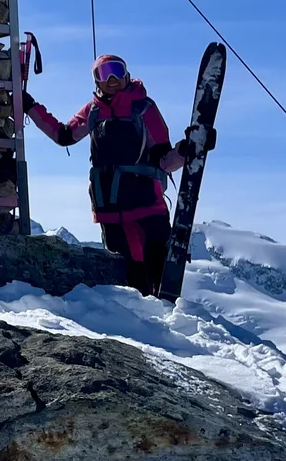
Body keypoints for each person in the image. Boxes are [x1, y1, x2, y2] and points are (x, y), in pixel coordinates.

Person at [24, 53, 196, 295]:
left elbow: (163, 160)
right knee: (130, 277)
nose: (112, 78)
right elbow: (63, 135)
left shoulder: (144, 108)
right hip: (110, 210)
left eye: (117, 70)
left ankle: (167, 320)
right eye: (104, 73)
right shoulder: (94, 111)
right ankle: (143, 326)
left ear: (127, 74)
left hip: (147, 206)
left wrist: (183, 152)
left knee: (157, 269)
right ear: (97, 81)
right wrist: (30, 107)